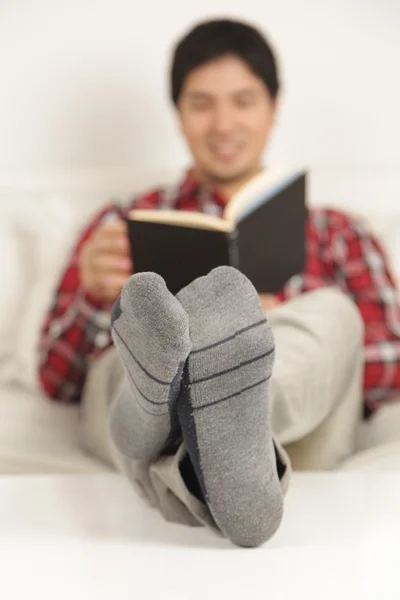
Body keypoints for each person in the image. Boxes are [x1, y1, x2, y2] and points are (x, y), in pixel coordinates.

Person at [39, 19, 400, 547]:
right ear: (179, 114)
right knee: (129, 349)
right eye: (202, 103)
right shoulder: (123, 222)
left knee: (331, 313)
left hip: (300, 417)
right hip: (149, 401)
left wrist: (273, 323)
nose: (223, 122)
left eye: (243, 100)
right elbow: (56, 381)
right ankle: (167, 412)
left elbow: (388, 373)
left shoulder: (338, 231)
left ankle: (216, 409)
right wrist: (95, 298)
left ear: (273, 108)